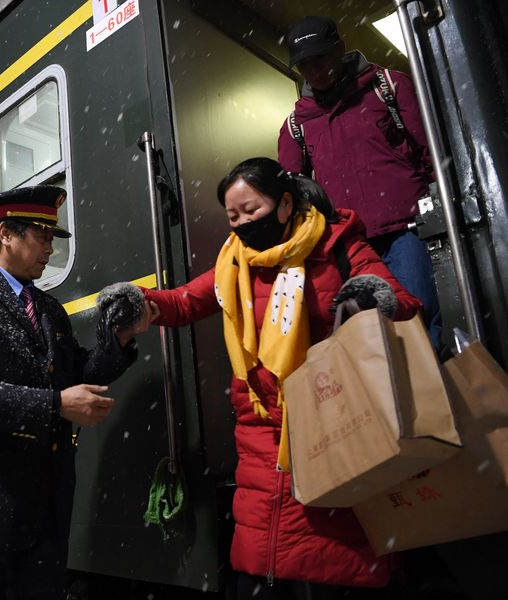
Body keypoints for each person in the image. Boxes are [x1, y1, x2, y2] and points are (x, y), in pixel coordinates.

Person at [138, 158, 422, 598]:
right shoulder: (236, 261)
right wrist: (137, 301)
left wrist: (370, 298)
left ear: (286, 203)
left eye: (251, 210)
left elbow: (400, 301)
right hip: (262, 430)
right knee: (265, 553)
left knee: (343, 560)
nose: (242, 224)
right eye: (233, 216)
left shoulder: (337, 245)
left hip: (336, 419)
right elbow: (184, 301)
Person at [0, 185, 150, 600]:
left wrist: (119, 339)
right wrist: (56, 405)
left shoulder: (47, 308)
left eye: (51, 239)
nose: (50, 249)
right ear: (6, 233)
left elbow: (76, 373)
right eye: (42, 237)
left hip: (44, 505)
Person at [278, 15, 441, 349]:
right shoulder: (297, 125)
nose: (314, 70)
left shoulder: (387, 86)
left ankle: (432, 380)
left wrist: (432, 206)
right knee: (367, 338)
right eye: (305, 64)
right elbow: (291, 197)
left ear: (340, 48)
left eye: (321, 57)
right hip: (348, 244)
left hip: (404, 230)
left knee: (417, 321)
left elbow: (432, 153)